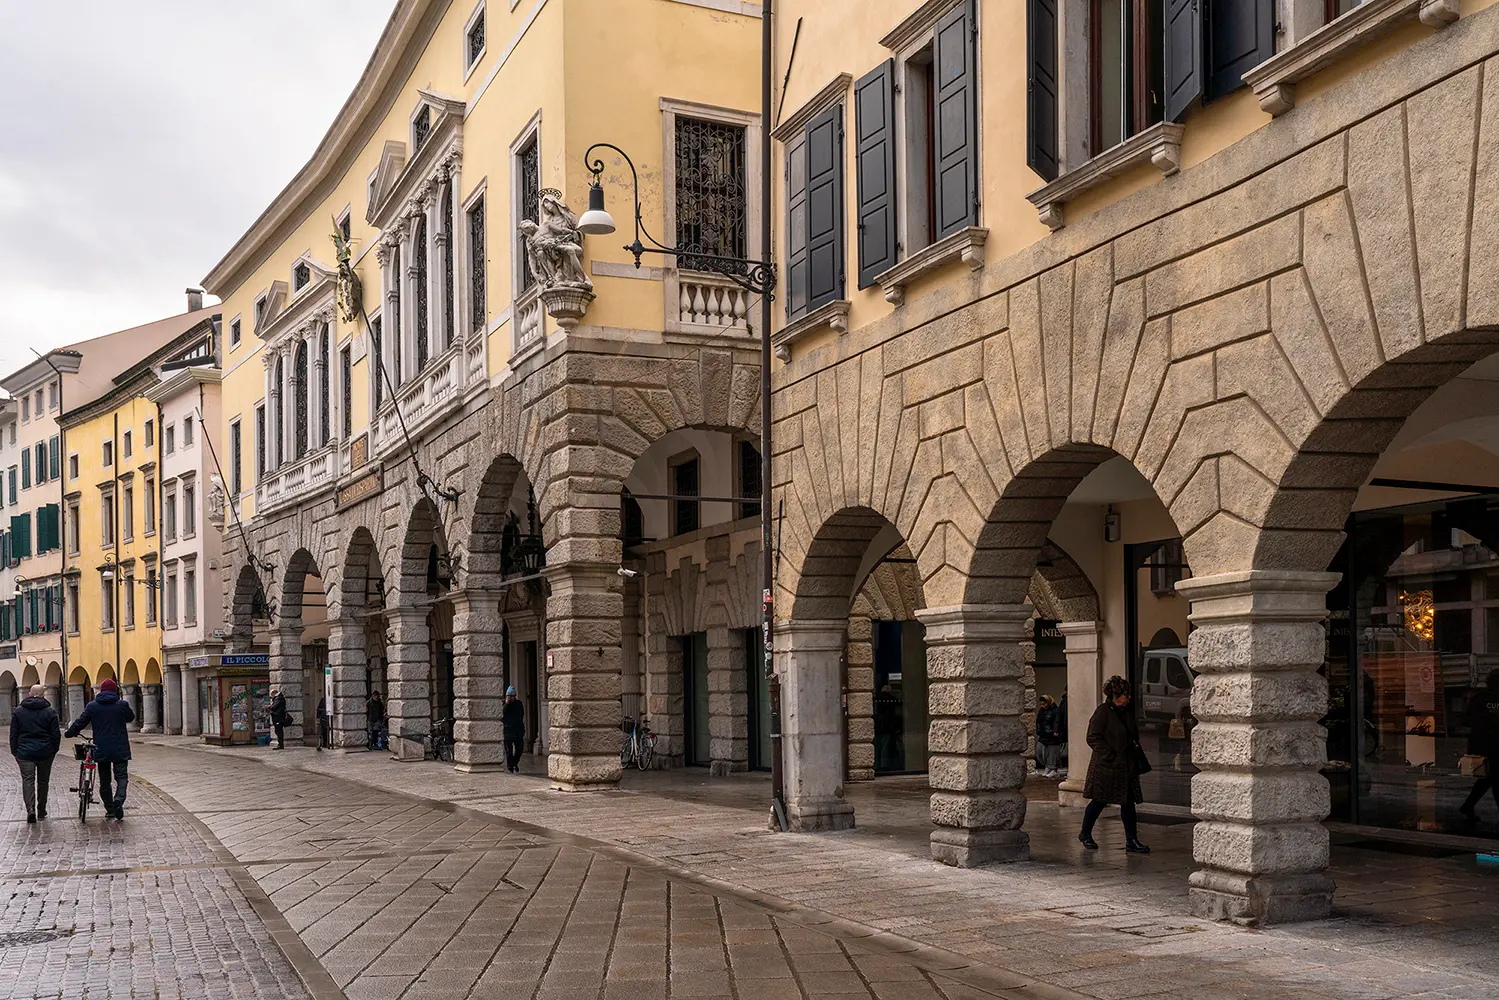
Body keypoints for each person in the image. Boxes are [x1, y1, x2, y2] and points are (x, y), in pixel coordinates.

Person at [1078, 675, 1150, 854]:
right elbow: (1093, 736)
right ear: (1116, 696)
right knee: (1099, 801)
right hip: (1106, 766)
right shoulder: (1103, 711)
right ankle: (1085, 833)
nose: (1128, 697)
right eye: (1125, 695)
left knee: (1128, 803)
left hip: (1126, 765)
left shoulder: (1127, 711)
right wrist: (1109, 754)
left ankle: (1131, 840)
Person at [63, 678, 134, 820]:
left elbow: (80, 722)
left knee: (105, 780)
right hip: (120, 748)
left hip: (101, 748)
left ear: (100, 691)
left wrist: (69, 733)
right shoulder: (122, 705)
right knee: (121, 776)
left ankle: (110, 808)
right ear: (115, 691)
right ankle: (119, 800)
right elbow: (130, 718)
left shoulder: (92, 706)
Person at [12, 684, 61, 823]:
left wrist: (15, 751)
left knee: (28, 780)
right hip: (45, 751)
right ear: (43, 695)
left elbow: (13, 734)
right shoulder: (50, 711)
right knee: (43, 781)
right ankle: (41, 809)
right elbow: (55, 734)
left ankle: (30, 810)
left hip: (24, 752)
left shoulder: (19, 711)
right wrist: (53, 750)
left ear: (29, 694)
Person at [1460, 670, 1499, 821]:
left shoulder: (1479, 699)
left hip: (1481, 746)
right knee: (1493, 779)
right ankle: (1468, 805)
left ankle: (1468, 805)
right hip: (1495, 746)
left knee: (1488, 778)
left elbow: (1468, 720)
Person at [1036, 695, 1065, 778]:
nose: (1043, 706)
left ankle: (1052, 769)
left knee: (1052, 752)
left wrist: (1055, 731)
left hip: (1051, 735)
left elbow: (1057, 721)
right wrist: (1039, 730)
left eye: (1044, 704)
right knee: (1041, 752)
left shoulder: (1056, 710)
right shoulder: (1042, 710)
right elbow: (1038, 721)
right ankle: (1048, 767)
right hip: (1043, 734)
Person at [502, 686, 526, 773]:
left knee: (519, 748)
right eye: (508, 696)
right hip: (508, 730)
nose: (509, 698)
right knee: (509, 750)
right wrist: (506, 704)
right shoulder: (504, 705)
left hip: (518, 730)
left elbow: (521, 714)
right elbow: (502, 714)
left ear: (514, 696)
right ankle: (510, 766)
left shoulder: (519, 704)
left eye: (511, 696)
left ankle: (514, 762)